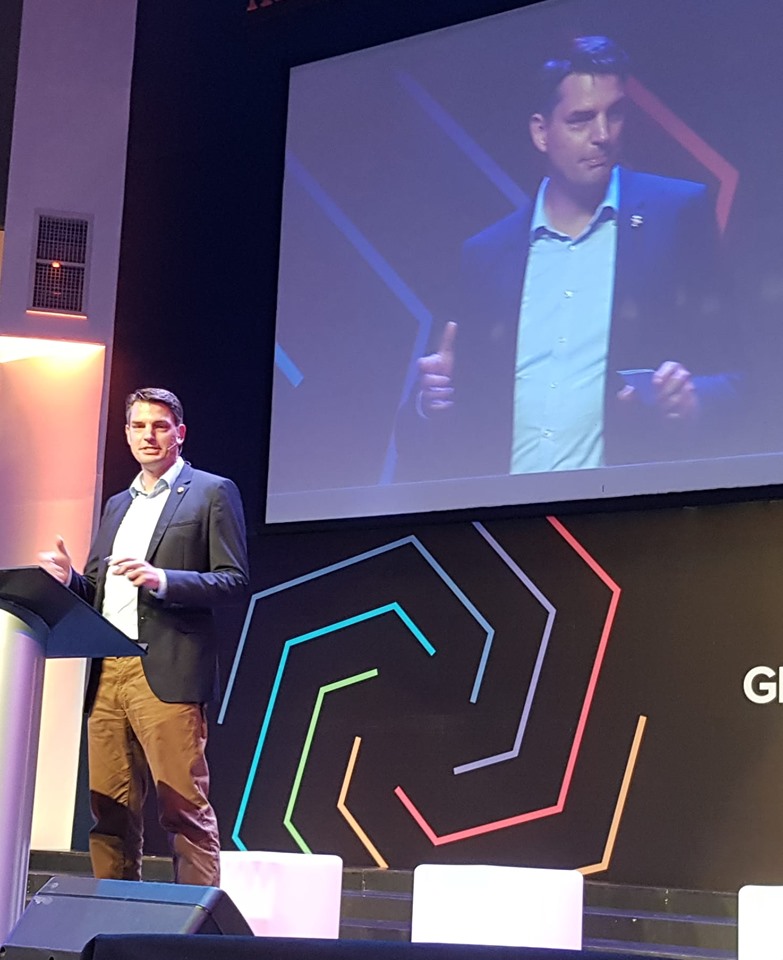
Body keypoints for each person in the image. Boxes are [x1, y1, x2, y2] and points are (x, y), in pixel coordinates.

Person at [396, 36, 740, 481]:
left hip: (626, 508)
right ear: (541, 132)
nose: (603, 136)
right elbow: (420, 431)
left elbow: (747, 378)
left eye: (615, 114)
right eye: (581, 119)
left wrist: (695, 401)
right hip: (509, 514)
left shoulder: (677, 216)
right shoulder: (485, 256)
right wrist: (430, 403)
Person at [38, 387, 249, 885]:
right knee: (108, 812)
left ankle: (195, 923)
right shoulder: (118, 504)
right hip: (108, 670)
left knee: (183, 809)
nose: (148, 435)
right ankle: (113, 918)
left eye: (159, 425)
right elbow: (99, 588)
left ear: (180, 433)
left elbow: (234, 580)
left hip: (168, 668)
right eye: (138, 426)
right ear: (127, 434)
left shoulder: (211, 492)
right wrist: (70, 580)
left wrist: (163, 580)